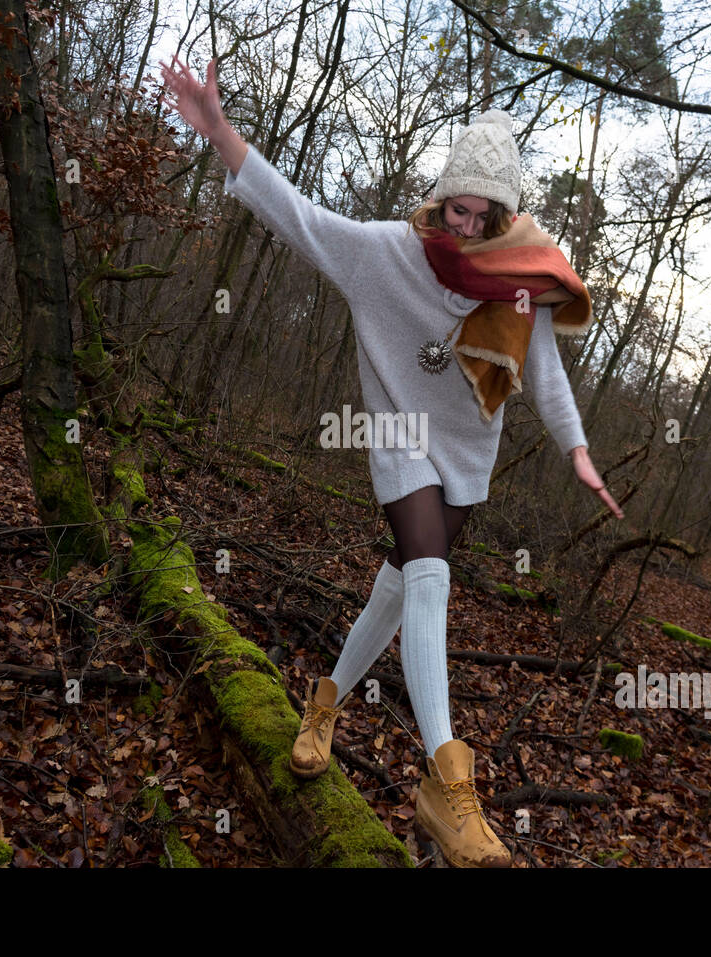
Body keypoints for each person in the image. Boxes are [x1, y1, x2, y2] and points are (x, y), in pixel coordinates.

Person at [160, 55, 624, 867]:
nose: (467, 227)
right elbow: (295, 214)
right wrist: (220, 132)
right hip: (400, 439)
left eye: (486, 215)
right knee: (430, 579)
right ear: (440, 197)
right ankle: (448, 783)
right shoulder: (383, 253)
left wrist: (579, 451)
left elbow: (547, 376)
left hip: (468, 455)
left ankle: (324, 702)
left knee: (398, 585)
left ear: (508, 218)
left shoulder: (517, 284)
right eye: (458, 208)